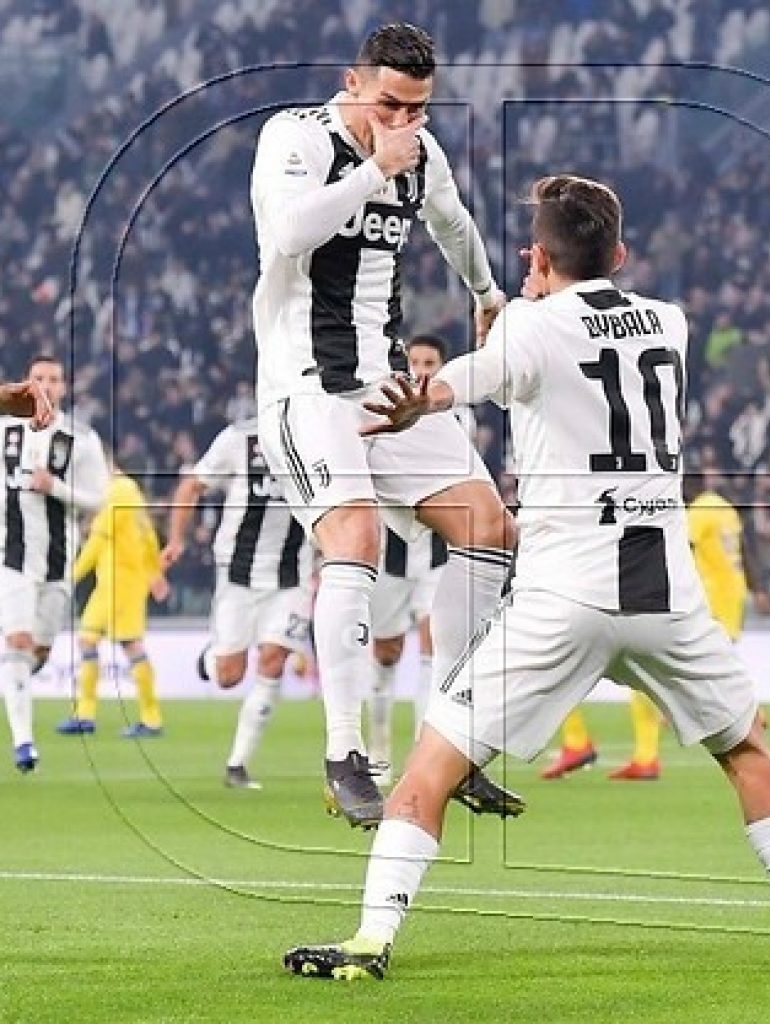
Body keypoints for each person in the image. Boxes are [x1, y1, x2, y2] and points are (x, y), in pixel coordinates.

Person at [282, 174, 770, 979]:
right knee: (748, 750)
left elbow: (471, 376)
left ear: (536, 258)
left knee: (428, 770)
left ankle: (370, 941)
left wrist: (426, 397)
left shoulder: (530, 326)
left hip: (563, 594)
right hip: (666, 596)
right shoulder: (671, 322)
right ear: (619, 255)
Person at [250, 22, 519, 828]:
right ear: (354, 82)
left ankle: (451, 736)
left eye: (418, 108)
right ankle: (345, 755)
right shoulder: (296, 137)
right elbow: (288, 234)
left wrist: (486, 292)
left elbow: (453, 221)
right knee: (356, 538)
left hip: (383, 385)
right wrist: (374, 170)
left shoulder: (420, 153)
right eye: (390, 104)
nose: (404, 121)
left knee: (488, 526)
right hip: (305, 386)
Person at [543, 471, 769, 781]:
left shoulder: (699, 512)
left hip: (708, 599)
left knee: (627, 670)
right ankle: (650, 745)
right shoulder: (721, 506)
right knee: (689, 669)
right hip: (731, 597)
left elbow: (676, 552)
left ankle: (634, 749)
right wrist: (757, 588)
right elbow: (743, 550)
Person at [160, 417, 314, 789]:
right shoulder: (238, 438)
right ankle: (210, 657)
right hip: (238, 572)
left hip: (293, 575)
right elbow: (191, 485)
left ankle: (238, 764)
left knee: (273, 659)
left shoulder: (317, 434)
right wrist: (176, 539)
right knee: (229, 676)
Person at [367, 334, 471, 784]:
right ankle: (378, 747)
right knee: (386, 651)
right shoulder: (379, 407)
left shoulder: (458, 417)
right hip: (389, 554)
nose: (423, 370)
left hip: (436, 553)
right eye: (416, 362)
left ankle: (420, 755)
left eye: (431, 363)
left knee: (435, 644)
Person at [1, 356, 106, 772]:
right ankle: (24, 744)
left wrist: (56, 487)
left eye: (53, 379)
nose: (45, 385)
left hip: (58, 561)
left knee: (38, 651)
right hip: (10, 556)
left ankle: (13, 682)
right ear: (27, 382)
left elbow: (99, 499)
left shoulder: (81, 438)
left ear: (64, 387)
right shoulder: (5, 429)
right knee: (19, 641)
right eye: (38, 378)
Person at [56, 453, 168, 738]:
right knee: (91, 639)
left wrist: (71, 576)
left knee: (126, 643)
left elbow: (99, 538)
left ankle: (149, 719)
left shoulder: (118, 490)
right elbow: (149, 537)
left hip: (120, 581)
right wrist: (154, 573)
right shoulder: (132, 493)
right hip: (119, 581)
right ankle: (87, 715)